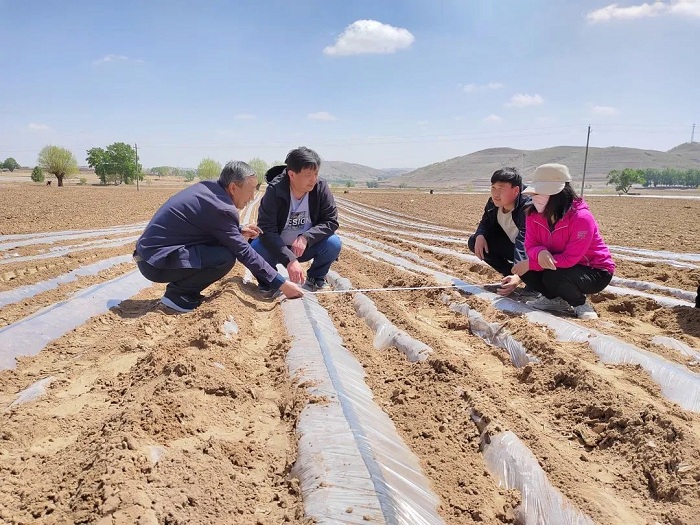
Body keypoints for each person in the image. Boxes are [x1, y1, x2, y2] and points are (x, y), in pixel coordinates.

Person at [134, 161, 304, 312]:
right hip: (155, 262)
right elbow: (244, 252)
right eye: (251, 190)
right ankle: (178, 295)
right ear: (233, 188)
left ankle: (186, 292)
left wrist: (238, 230)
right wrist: (281, 283)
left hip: (151, 255)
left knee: (223, 248)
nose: (252, 197)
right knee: (225, 256)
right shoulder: (221, 207)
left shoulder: (211, 191)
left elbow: (208, 226)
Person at [511, 163, 615, 320]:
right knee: (527, 272)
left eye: (541, 193)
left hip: (594, 271)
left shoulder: (581, 218)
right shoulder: (532, 215)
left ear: (559, 194)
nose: (535, 198)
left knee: (552, 275)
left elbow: (569, 259)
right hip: (559, 265)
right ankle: (554, 299)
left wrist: (532, 263)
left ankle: (580, 304)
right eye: (535, 193)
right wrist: (540, 252)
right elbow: (530, 245)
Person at [252, 146, 341, 297]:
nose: (313, 179)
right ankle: (269, 282)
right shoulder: (275, 190)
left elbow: (331, 221)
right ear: (292, 174)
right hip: (277, 248)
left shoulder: (320, 187)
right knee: (256, 247)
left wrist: (307, 237)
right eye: (308, 175)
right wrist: (289, 259)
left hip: (305, 247)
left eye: (316, 173)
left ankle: (316, 278)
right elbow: (266, 229)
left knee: (333, 243)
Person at [468, 167, 533, 296]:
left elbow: (523, 240)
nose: (496, 194)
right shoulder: (493, 203)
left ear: (516, 190)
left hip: (533, 252)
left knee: (531, 262)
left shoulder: (528, 207)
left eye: (501, 189)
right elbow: (485, 221)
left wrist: (519, 275)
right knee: (474, 241)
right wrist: (480, 235)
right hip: (512, 246)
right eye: (493, 188)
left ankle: (529, 280)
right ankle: (509, 274)